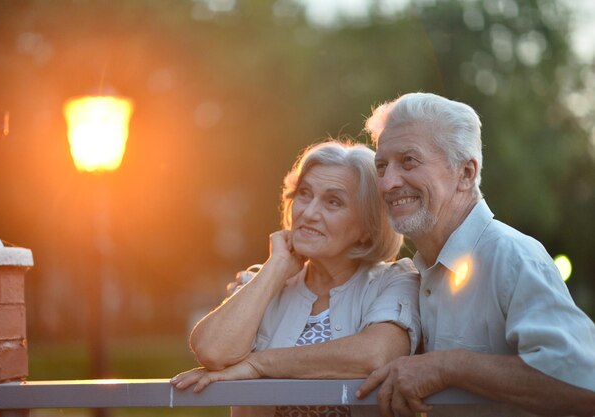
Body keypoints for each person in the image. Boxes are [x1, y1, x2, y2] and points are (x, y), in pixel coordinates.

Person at [355, 92, 595, 417]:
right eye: (381, 166)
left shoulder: (512, 256)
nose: (388, 183)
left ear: (466, 173)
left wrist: (447, 367)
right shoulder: (414, 272)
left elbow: (585, 386)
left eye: (409, 161)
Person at [171, 140, 421, 417]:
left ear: (367, 226)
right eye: (304, 194)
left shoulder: (395, 280)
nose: (309, 213)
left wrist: (259, 365)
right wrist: (276, 265)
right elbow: (212, 350)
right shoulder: (261, 281)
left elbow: (375, 354)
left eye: (333, 202)